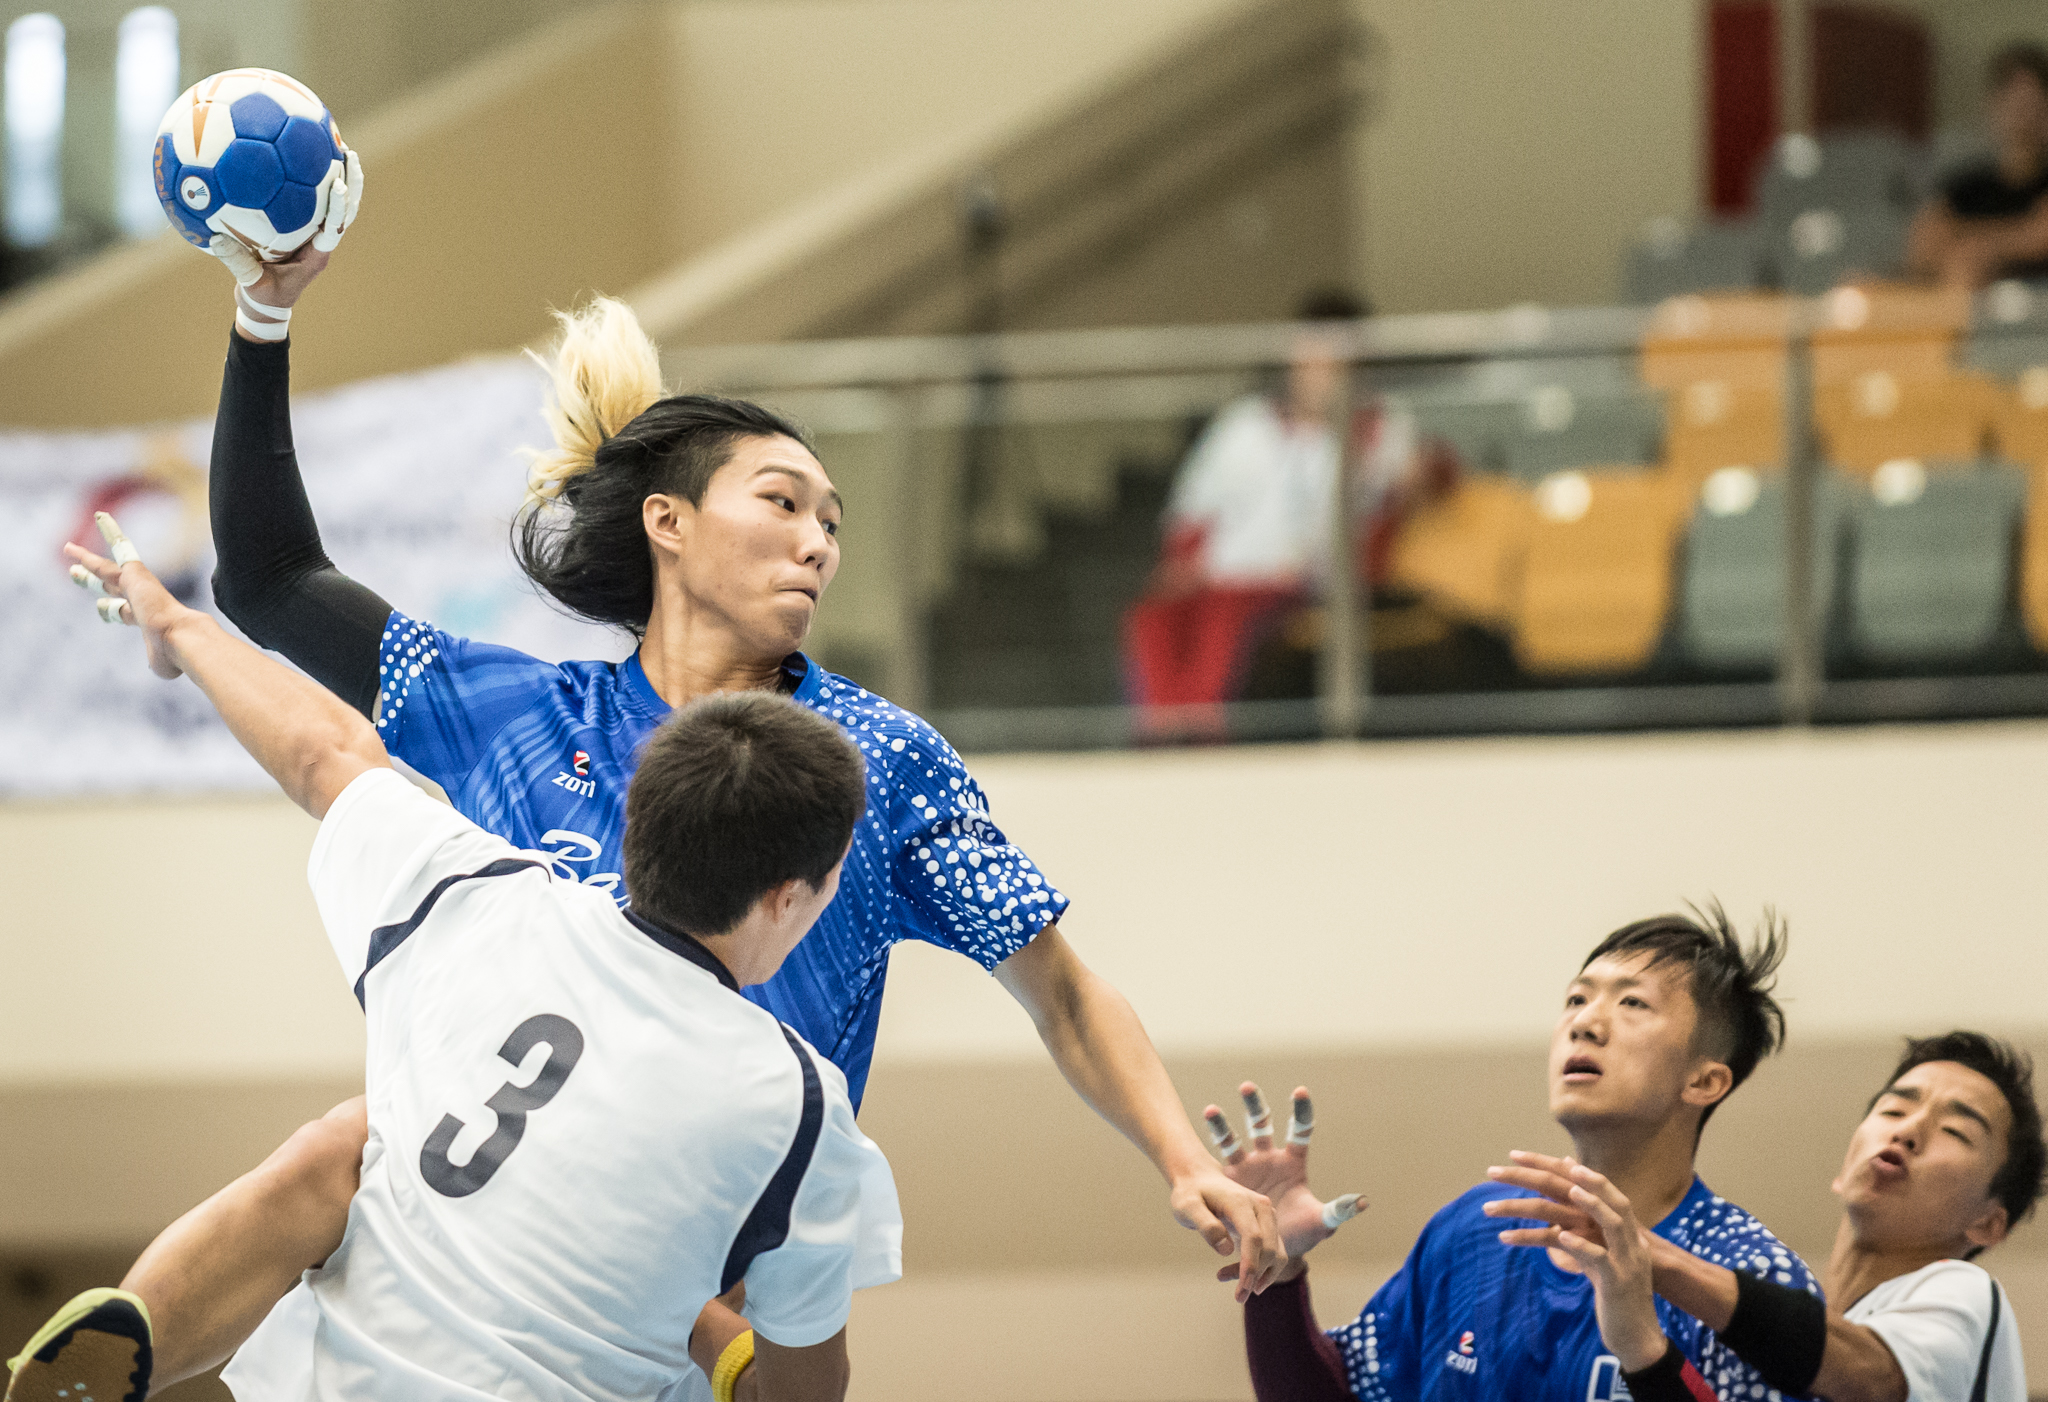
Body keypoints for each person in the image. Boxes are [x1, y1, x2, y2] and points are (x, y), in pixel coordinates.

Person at [7, 159, 1280, 1400]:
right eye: (783, 502)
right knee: (338, 1156)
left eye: (832, 520)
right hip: (466, 1239)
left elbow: (1056, 983)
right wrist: (263, 312)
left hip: (680, 1310)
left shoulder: (870, 762)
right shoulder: (513, 712)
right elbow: (275, 582)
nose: (818, 539)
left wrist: (1181, 1160)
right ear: (667, 522)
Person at [17, 514, 897, 1402]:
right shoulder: (800, 1103)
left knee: (351, 1143)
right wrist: (712, 1340)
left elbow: (323, 752)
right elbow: (803, 1391)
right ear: (792, 895)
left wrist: (179, 627)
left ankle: (145, 1323)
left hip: (335, 1382)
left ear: (641, 832)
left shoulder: (487, 898)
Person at [1212, 904, 1820, 1402]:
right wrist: (1279, 1273)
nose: (1585, 1023)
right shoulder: (1472, 1230)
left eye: (1633, 1003)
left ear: (1705, 1081)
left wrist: (1647, 1355)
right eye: (1577, 999)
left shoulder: (1749, 1278)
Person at [1495, 1030, 2043, 1402]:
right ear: (1843, 1166)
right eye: (1895, 1108)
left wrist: (1649, 1253)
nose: (1906, 1129)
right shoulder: (1789, 1325)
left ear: (1989, 1224)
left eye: (1955, 1130)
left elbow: (1870, 1375)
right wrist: (1644, 1349)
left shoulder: (1966, 1294)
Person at [1120, 288, 1442, 715]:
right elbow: (1194, 513)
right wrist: (1184, 563)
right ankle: (1161, 740)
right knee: (1152, 620)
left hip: (1303, 582)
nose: (1318, 373)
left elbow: (1409, 493)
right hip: (1221, 575)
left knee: (1226, 623)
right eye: (1310, 359)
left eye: (1333, 364)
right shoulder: (1244, 425)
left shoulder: (1378, 428)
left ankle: (1203, 740)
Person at [1909, 43, 2048, 289]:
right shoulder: (1966, 186)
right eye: (2013, 101)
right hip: (1955, 292)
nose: (2023, 114)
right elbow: (1924, 246)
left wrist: (1976, 242)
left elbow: (2039, 237)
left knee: (1968, 259)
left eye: (2032, 102)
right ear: (1993, 105)